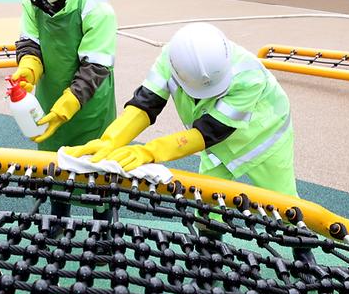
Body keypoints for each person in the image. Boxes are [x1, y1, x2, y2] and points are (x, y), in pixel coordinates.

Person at [66, 22, 297, 197]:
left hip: (266, 139)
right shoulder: (171, 58)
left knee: (287, 207)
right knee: (207, 202)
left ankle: (301, 251)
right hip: (215, 147)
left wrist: (150, 151)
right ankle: (209, 251)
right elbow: (146, 104)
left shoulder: (249, 75)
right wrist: (110, 140)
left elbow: (211, 131)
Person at [10, 0, 117, 217]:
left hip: (89, 109)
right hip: (49, 101)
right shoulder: (31, 2)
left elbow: (94, 68)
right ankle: (58, 222)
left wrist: (68, 105)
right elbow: (30, 44)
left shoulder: (96, 8)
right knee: (55, 171)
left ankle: (104, 229)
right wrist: (28, 70)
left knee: (97, 175)